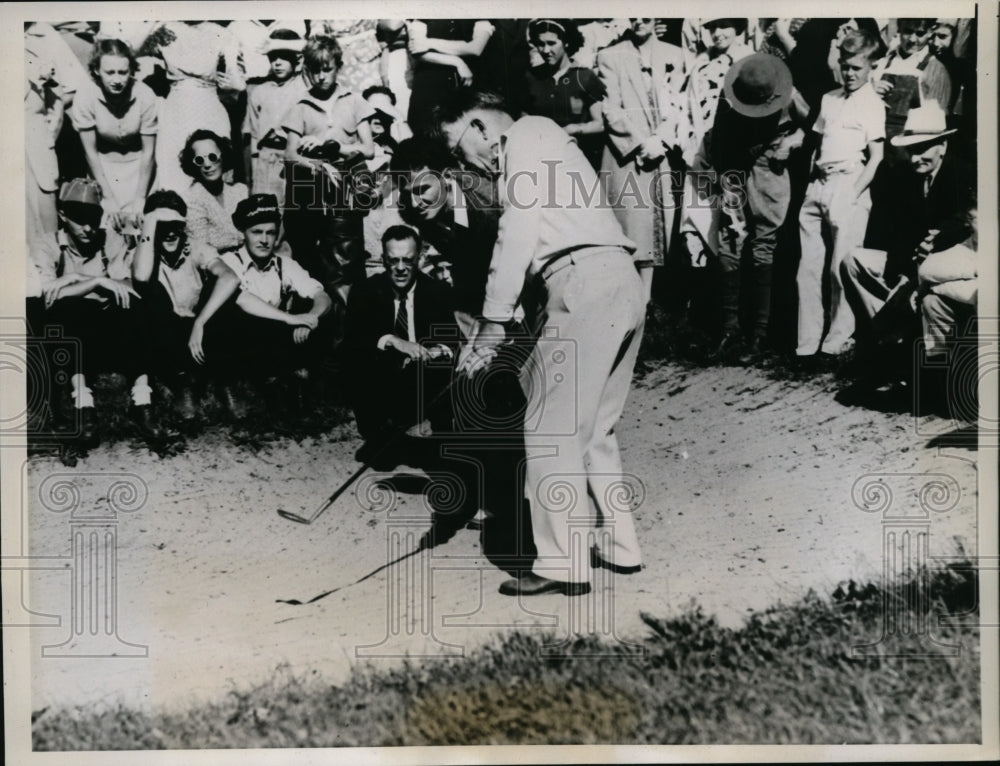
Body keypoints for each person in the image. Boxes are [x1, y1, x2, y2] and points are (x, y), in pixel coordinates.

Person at [439, 90, 646, 597]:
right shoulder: (548, 139)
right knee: (594, 427)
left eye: (456, 143)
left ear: (482, 127)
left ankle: (561, 564)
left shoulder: (525, 135)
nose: (463, 159)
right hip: (617, 278)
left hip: (582, 281)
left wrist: (489, 324)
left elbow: (518, 233)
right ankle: (620, 548)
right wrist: (499, 327)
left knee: (548, 426)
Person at [687, 53, 807, 359]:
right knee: (729, 241)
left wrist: (793, 141)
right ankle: (730, 329)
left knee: (763, 244)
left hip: (769, 166)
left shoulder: (789, 95)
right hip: (734, 164)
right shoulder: (731, 97)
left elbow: (811, 126)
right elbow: (721, 140)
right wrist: (725, 181)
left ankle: (760, 334)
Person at [841, 104, 975, 355]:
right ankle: (890, 336)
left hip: (944, 267)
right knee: (852, 261)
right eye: (911, 150)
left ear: (943, 146)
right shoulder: (904, 177)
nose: (915, 158)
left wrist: (938, 239)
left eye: (922, 149)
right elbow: (898, 231)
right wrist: (902, 272)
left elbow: (966, 222)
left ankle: (895, 334)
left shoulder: (962, 174)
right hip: (909, 263)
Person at [32, 178, 155, 447]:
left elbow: (127, 284)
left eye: (92, 217)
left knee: (134, 305)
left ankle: (142, 399)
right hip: (72, 332)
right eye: (79, 218)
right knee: (68, 308)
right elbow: (47, 294)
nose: (88, 228)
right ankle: (82, 403)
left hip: (104, 328)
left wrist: (73, 282)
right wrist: (96, 281)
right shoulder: (48, 244)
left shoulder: (107, 238)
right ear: (62, 214)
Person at [795, 29, 885, 360]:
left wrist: (853, 193)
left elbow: (876, 157)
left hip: (850, 184)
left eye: (857, 68)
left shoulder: (873, 104)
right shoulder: (830, 99)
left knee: (839, 268)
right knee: (808, 268)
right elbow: (817, 142)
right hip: (819, 185)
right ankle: (806, 342)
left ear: (871, 66)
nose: (849, 74)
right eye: (845, 66)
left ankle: (837, 341)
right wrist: (810, 183)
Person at [344, 225, 458, 463]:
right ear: (384, 260)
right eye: (393, 260)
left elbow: (452, 339)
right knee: (358, 359)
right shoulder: (366, 290)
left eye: (407, 260)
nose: (400, 268)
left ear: (419, 258)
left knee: (444, 368)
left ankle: (433, 435)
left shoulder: (438, 291)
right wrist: (393, 341)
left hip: (424, 376)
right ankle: (379, 433)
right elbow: (354, 339)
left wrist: (437, 350)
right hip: (385, 375)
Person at [130, 190, 241, 424]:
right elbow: (140, 276)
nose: (170, 232)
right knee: (150, 290)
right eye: (163, 225)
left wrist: (200, 322)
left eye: (175, 224)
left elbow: (230, 278)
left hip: (197, 329)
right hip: (165, 331)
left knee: (224, 292)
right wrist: (150, 221)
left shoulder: (195, 246)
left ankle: (225, 381)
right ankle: (183, 384)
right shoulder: (144, 249)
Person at [282, 34, 376, 305]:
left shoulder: (354, 101)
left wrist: (330, 146)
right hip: (310, 196)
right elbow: (289, 156)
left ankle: (351, 333)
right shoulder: (300, 106)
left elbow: (368, 149)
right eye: (315, 70)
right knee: (313, 267)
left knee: (346, 264)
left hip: (345, 194)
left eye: (328, 69)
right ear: (307, 71)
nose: (322, 76)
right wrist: (320, 165)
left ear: (339, 67)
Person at [597, 17, 686, 301]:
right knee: (632, 222)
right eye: (632, 16)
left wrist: (660, 139)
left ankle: (649, 296)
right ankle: (630, 297)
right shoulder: (610, 55)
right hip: (627, 153)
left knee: (659, 221)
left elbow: (680, 102)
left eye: (645, 15)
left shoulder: (675, 54)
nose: (639, 21)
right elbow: (610, 108)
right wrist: (639, 143)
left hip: (661, 150)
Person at [218, 195, 333, 414]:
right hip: (240, 340)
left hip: (274, 338)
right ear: (243, 232)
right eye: (256, 232)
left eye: (270, 233)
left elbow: (322, 296)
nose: (264, 240)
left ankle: (298, 381)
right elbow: (242, 302)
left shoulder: (285, 264)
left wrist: (311, 318)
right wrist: (291, 319)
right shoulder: (230, 262)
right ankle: (251, 387)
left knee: (327, 317)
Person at [390, 136, 498, 318]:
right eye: (408, 194)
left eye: (422, 190)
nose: (416, 204)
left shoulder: (489, 208)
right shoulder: (414, 211)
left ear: (447, 176)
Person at [144, 21, 245, 192]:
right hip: (177, 110)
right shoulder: (166, 29)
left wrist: (233, 85)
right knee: (174, 171)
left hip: (208, 108)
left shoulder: (221, 33)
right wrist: (155, 18)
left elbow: (238, 82)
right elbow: (131, 50)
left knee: (211, 165)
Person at [523, 19, 606, 170]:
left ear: (566, 42)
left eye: (551, 43)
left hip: (578, 158)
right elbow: (524, 118)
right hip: (541, 157)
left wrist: (574, 128)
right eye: (541, 44)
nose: (546, 50)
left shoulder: (585, 77)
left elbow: (599, 124)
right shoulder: (531, 77)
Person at [243, 30, 308, 202]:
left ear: (298, 60)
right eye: (273, 58)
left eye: (284, 57)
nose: (277, 63)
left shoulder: (303, 91)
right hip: (265, 161)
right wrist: (253, 175)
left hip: (292, 161)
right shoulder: (260, 91)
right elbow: (254, 136)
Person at [406, 19, 494, 136]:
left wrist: (428, 43)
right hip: (429, 84)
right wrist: (457, 61)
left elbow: (475, 48)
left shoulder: (478, 11)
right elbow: (416, 50)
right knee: (425, 134)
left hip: (464, 86)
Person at [180, 129, 249, 253]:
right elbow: (202, 251)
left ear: (223, 156)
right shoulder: (191, 199)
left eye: (212, 157)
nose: (207, 164)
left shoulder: (240, 191)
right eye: (199, 160)